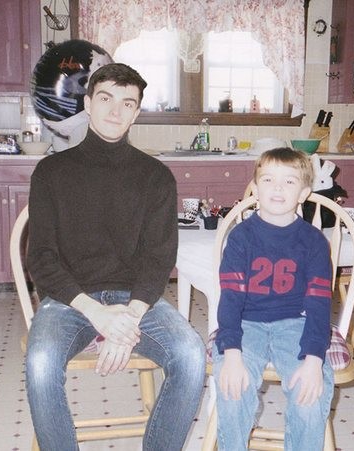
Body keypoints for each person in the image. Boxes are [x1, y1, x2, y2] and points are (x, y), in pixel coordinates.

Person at [25, 62, 206, 451]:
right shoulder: (51, 172)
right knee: (40, 364)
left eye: (127, 103)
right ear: (88, 104)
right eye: (106, 98)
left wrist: (129, 319)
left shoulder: (156, 176)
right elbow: (41, 258)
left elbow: (158, 258)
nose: (115, 111)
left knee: (192, 355)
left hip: (136, 299)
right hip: (69, 300)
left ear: (136, 112)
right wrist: (99, 314)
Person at [212, 148, 335, 450]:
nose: (278, 188)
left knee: (310, 397)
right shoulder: (241, 237)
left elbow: (319, 305)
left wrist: (314, 360)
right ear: (255, 189)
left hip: (297, 324)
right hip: (244, 324)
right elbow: (230, 300)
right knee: (233, 391)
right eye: (268, 179)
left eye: (289, 181)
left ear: (304, 193)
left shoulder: (314, 241)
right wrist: (232, 355)